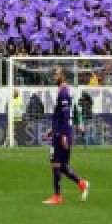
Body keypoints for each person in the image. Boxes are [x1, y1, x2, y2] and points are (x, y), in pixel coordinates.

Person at [42, 67, 89, 205]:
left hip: (62, 134)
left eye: (56, 74)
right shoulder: (64, 92)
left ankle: (57, 196)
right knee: (62, 166)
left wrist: (62, 135)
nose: (54, 76)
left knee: (56, 164)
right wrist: (52, 129)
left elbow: (66, 115)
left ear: (63, 76)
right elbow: (61, 116)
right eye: (54, 74)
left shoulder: (64, 93)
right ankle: (82, 183)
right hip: (60, 132)